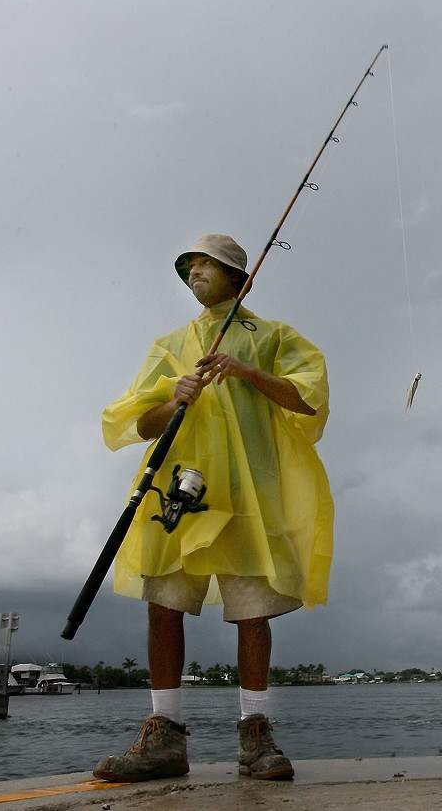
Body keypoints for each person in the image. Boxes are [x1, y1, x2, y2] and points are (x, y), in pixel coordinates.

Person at [92, 234, 334, 783]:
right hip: (179, 491)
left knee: (253, 610)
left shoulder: (273, 335)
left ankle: (255, 734)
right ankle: (164, 732)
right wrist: (173, 396)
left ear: (239, 278)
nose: (195, 271)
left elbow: (309, 398)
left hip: (252, 491)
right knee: (163, 604)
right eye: (190, 265)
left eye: (207, 263)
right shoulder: (169, 344)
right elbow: (140, 423)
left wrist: (248, 372)